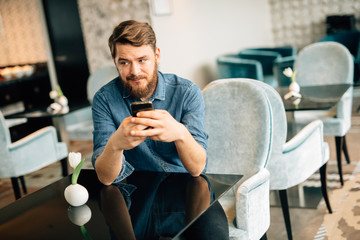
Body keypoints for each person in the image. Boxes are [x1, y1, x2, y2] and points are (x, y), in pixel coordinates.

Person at [91, 20, 208, 185]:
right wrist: (115, 145)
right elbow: (105, 178)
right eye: (124, 62)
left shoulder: (187, 92)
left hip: (185, 187)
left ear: (157, 56)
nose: (135, 72)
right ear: (114, 61)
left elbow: (197, 168)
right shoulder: (104, 99)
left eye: (142, 60)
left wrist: (180, 133)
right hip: (136, 193)